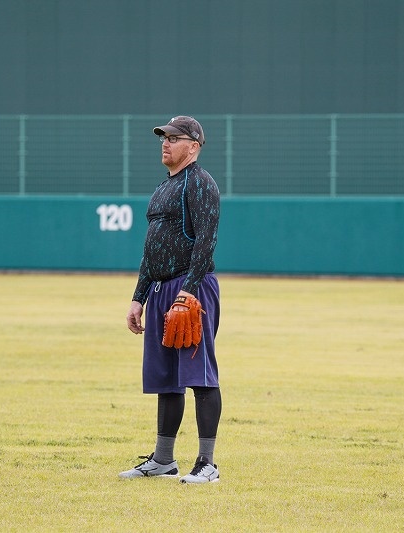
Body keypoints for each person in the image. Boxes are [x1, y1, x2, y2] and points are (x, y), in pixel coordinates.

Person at [120, 116, 222, 484]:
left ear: (193, 146)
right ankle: (164, 460)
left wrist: (188, 291)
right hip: (162, 289)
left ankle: (207, 463)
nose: (166, 142)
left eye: (174, 138)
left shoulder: (200, 182)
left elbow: (206, 240)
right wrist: (139, 297)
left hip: (191, 289)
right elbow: (152, 249)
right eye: (164, 137)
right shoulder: (164, 187)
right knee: (166, 379)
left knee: (200, 375)